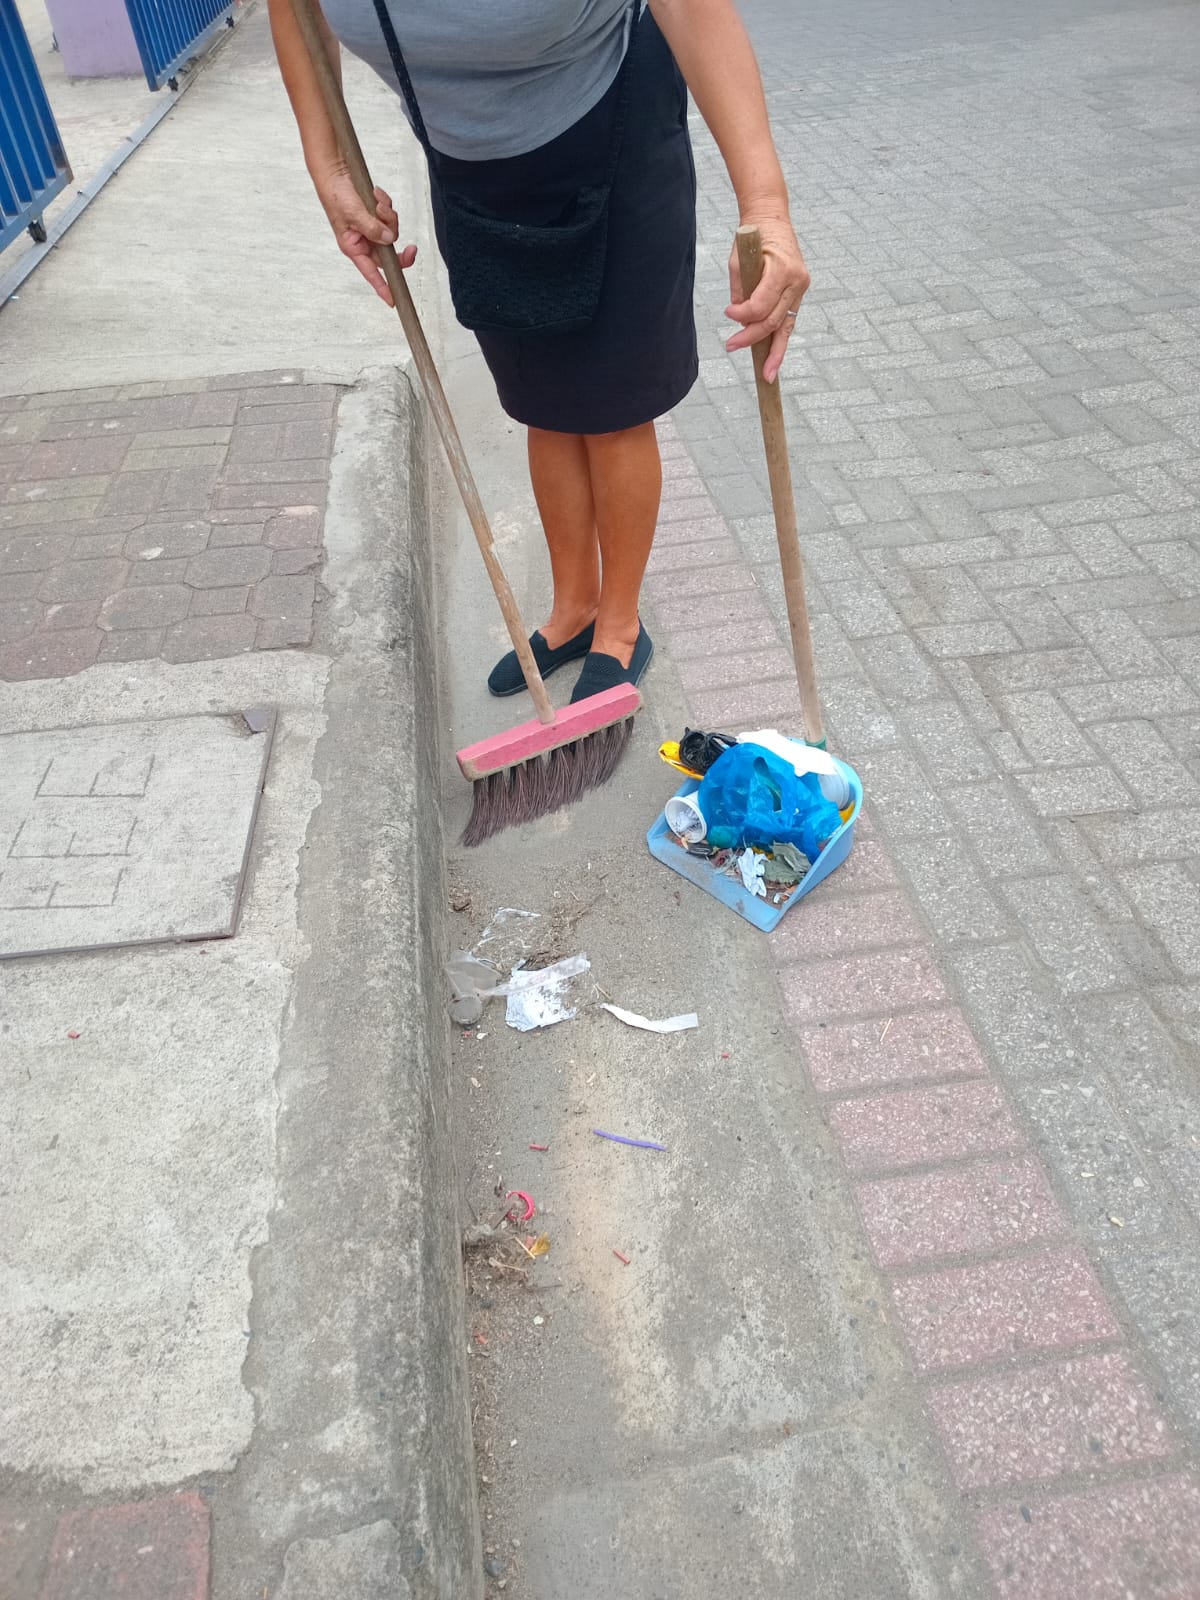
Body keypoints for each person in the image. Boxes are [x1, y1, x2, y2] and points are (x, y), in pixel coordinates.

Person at [268, 0, 809, 703]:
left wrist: (765, 206)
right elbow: (293, 8)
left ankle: (620, 624)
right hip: (471, 168)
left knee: (613, 406)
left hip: (610, 119)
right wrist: (330, 163)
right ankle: (574, 609)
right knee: (543, 402)